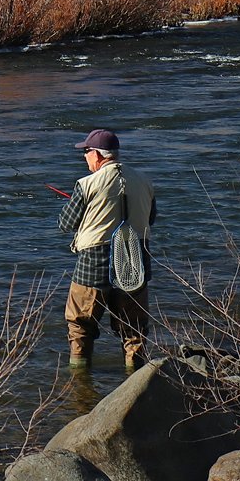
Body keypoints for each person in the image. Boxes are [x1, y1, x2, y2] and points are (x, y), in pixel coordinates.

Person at [57, 128, 156, 370]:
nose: (84, 156)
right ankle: (137, 388)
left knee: (80, 327)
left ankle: (81, 386)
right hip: (135, 260)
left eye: (87, 151)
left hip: (93, 263)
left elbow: (65, 224)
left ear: (99, 156)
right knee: (134, 331)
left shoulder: (86, 184)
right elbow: (151, 219)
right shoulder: (145, 181)